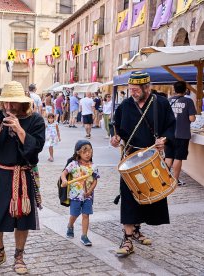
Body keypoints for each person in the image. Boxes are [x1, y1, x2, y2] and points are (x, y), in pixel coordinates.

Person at [0, 81, 45, 275]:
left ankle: (19, 256)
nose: (8, 107)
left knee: (22, 219)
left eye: (13, 103)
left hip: (22, 174)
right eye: (6, 103)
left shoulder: (36, 120)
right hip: (0, 173)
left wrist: (19, 129)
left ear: (23, 102)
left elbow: (36, 149)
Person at [110, 71, 175, 256]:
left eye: (136, 89)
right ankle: (128, 239)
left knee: (148, 194)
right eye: (131, 89)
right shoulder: (125, 105)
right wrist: (114, 138)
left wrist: (165, 140)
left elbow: (171, 126)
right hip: (130, 157)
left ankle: (137, 230)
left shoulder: (160, 103)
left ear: (147, 87)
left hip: (152, 158)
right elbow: (116, 126)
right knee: (129, 197)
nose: (133, 93)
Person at [61, 140, 99, 246]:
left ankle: (84, 236)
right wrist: (64, 180)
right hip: (75, 196)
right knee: (75, 214)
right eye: (84, 152)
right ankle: (70, 225)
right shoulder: (73, 164)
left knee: (86, 215)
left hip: (88, 196)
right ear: (78, 153)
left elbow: (95, 180)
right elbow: (63, 173)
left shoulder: (93, 166)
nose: (87, 154)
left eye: (89, 151)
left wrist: (90, 191)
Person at [165, 81, 196, 186]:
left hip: (169, 134)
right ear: (185, 90)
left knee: (169, 156)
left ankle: (163, 179)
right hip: (182, 134)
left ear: (174, 89)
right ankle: (175, 180)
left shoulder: (168, 101)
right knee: (178, 157)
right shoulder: (188, 101)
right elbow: (191, 118)